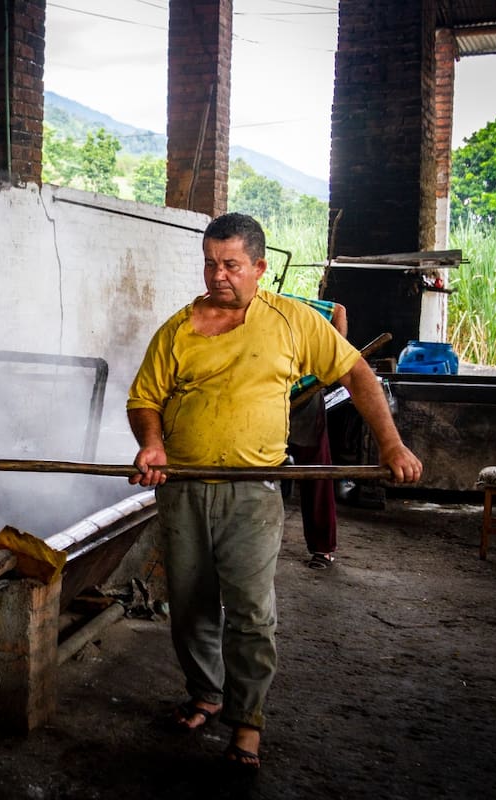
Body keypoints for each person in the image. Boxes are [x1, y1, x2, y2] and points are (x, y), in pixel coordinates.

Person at [126, 213, 422, 771]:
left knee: (250, 612)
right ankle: (206, 694)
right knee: (189, 607)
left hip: (253, 492)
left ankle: (247, 721)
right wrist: (154, 444)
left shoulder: (290, 321)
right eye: (211, 263)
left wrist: (391, 446)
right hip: (183, 487)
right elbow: (144, 399)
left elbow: (356, 371)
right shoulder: (177, 328)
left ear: (259, 268)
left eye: (232, 265)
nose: (218, 276)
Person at [283, 295, 347, 570]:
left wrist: (333, 361)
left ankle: (322, 547)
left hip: (303, 396)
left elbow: (338, 310)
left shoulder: (286, 306)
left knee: (315, 470)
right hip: (261, 400)